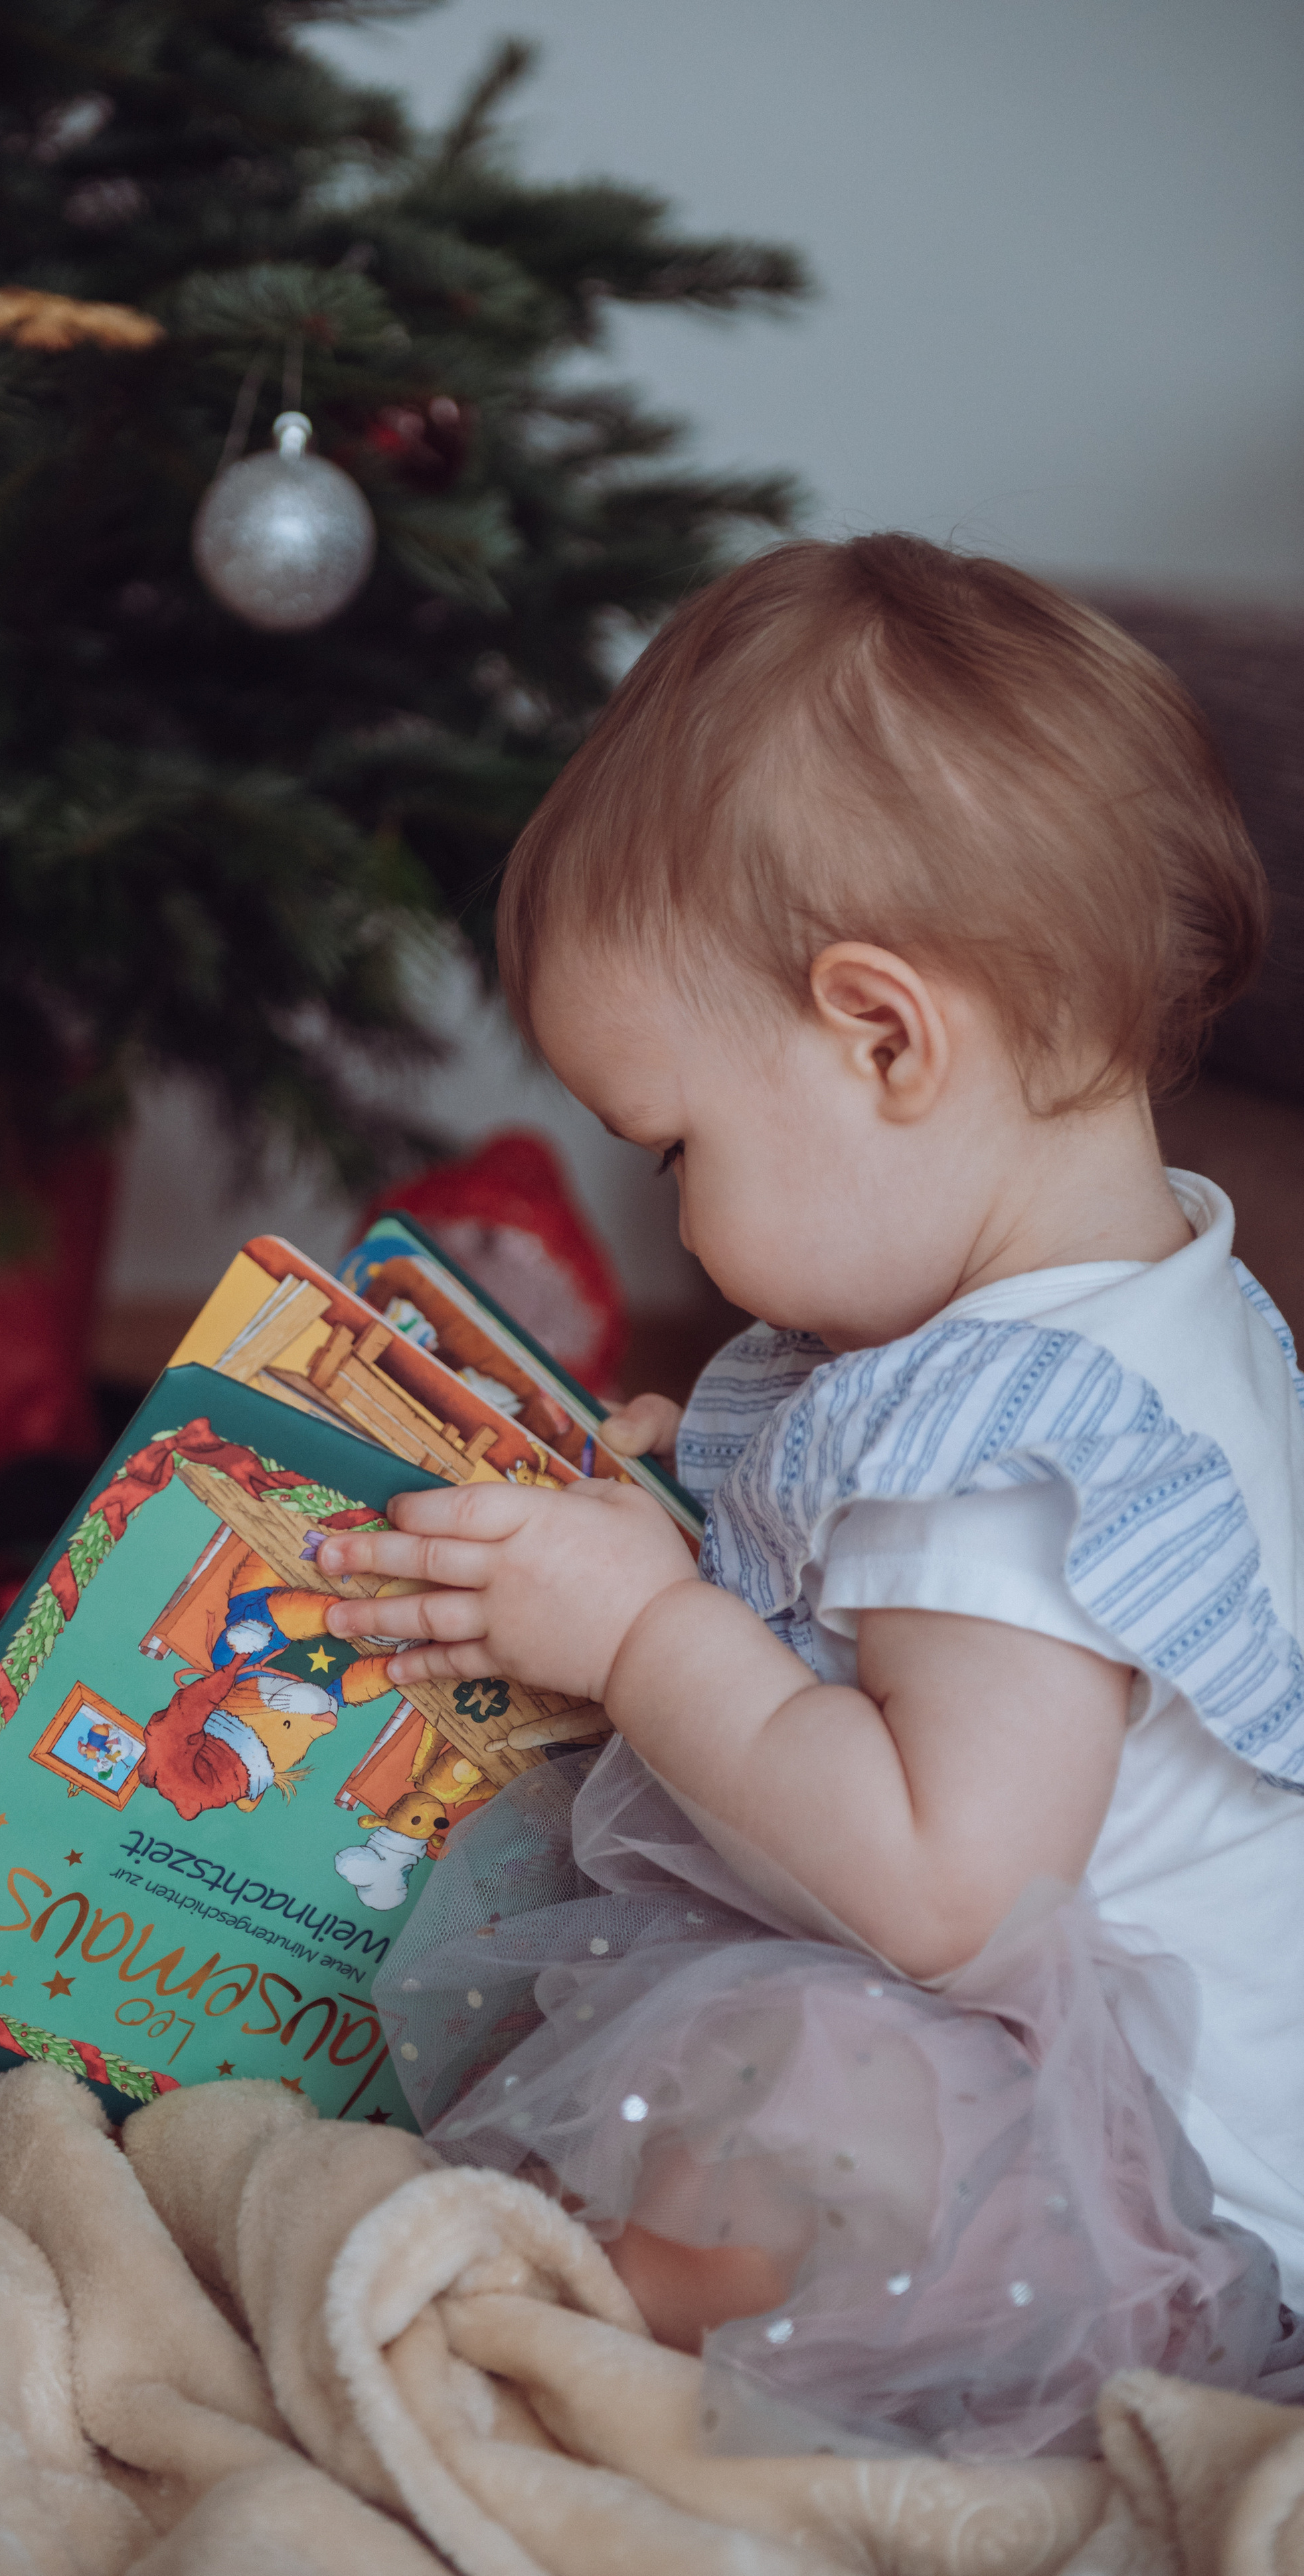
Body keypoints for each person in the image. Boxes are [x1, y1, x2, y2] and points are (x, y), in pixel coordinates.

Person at [313, 536, 1304, 2459]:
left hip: (1143, 2192)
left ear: (883, 1037)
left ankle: (629, 2340)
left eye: (675, 1148)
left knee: (778, 2089)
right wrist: (709, 1530)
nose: (678, 1217)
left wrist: (644, 1628)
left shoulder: (1002, 1455)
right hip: (1111, 2109)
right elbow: (883, 1638)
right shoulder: (1138, 1312)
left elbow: (943, 1893)